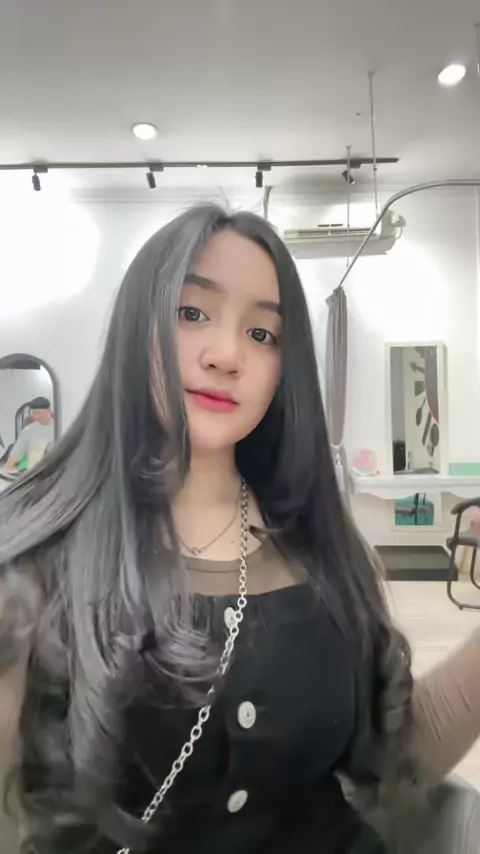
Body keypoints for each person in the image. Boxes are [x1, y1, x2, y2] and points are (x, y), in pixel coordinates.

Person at [0, 204, 479, 854]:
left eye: (262, 334)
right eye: (192, 313)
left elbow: (397, 764)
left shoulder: (325, 550)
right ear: (138, 327)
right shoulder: (36, 562)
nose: (227, 355)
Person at [3, 397, 54, 472]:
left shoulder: (60, 427)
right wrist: (5, 471)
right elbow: (16, 454)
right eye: (34, 413)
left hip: (55, 471)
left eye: (39, 413)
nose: (36, 416)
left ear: (49, 410)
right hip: (33, 473)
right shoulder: (28, 430)